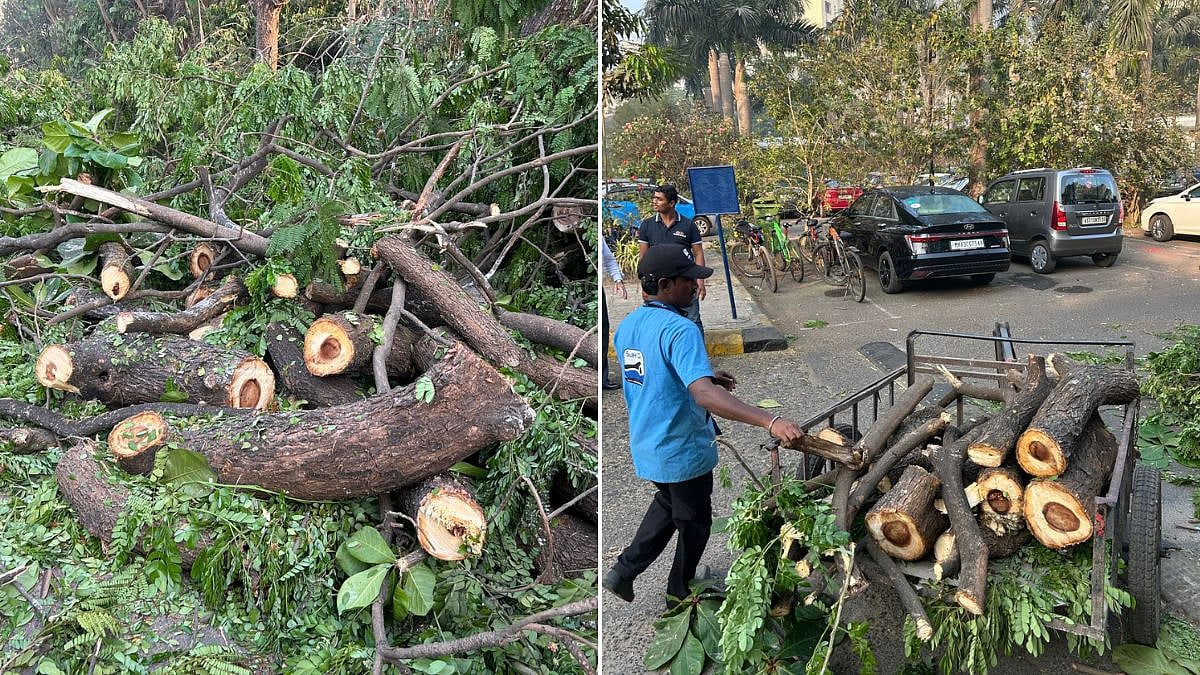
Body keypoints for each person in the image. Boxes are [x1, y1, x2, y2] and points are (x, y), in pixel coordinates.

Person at [603, 244, 805, 608]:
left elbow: (655, 373)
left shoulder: (629, 325)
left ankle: (623, 571)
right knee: (695, 521)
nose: (696, 287)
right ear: (665, 284)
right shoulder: (681, 329)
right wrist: (769, 420)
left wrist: (706, 374)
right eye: (689, 280)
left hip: (649, 443)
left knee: (669, 502)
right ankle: (680, 592)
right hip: (681, 448)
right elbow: (704, 398)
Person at [637, 184, 705, 331]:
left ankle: (697, 352)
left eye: (659, 199)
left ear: (672, 203)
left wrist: (700, 281)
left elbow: (698, 253)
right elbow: (643, 256)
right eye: (654, 198)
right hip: (658, 286)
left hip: (684, 282)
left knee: (693, 321)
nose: (654, 201)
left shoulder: (688, 225)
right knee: (658, 324)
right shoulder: (647, 225)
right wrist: (644, 283)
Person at [600, 236, 627, 390]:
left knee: (604, 331)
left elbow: (609, 259)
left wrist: (617, 279)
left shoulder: (600, 237)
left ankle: (603, 378)